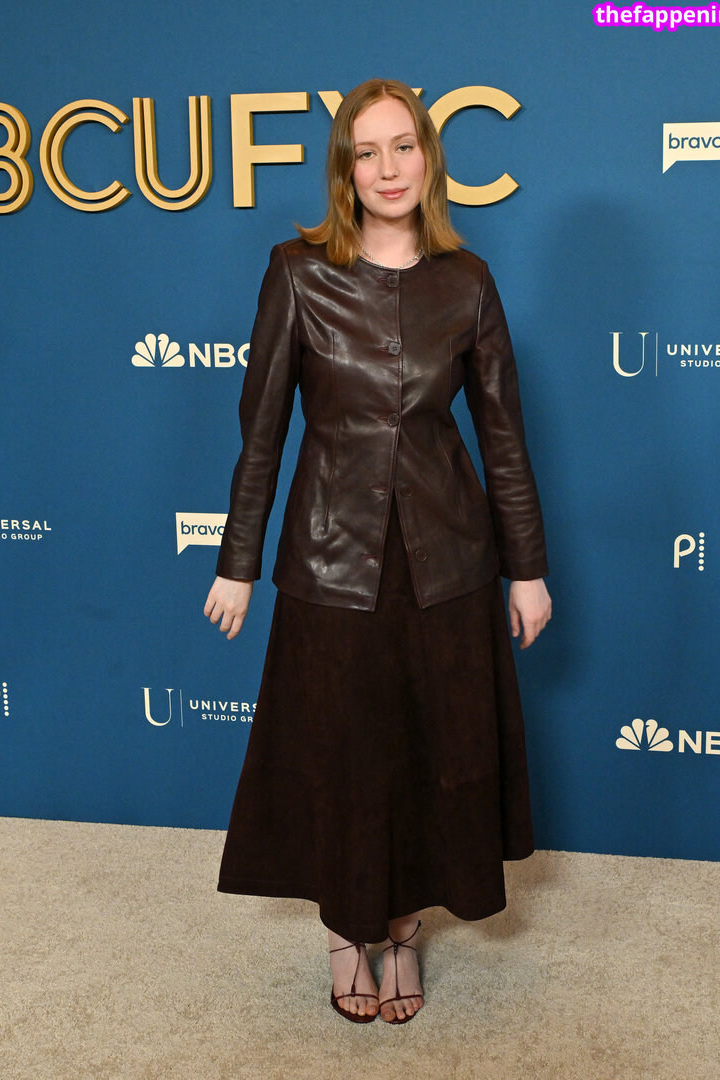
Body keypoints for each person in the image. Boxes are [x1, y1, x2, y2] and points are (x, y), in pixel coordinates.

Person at [203, 77, 551, 1025]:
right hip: (330, 562)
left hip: (448, 564)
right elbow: (262, 432)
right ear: (344, 169)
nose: (388, 169)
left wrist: (527, 570)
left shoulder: (467, 281)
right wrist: (237, 562)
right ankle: (344, 932)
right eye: (368, 152)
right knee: (344, 757)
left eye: (404, 147)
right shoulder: (297, 271)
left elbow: (505, 440)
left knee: (429, 754)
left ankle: (400, 930)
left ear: (429, 159)